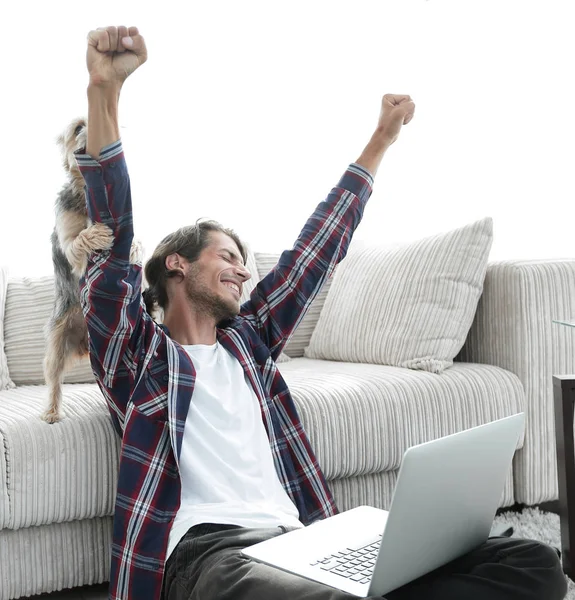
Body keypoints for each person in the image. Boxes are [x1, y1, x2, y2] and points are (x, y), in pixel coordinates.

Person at [78, 25, 567, 600]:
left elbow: (318, 249)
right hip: (213, 555)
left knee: (533, 562)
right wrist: (103, 92)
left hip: (306, 541)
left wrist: (380, 140)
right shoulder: (139, 359)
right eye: (227, 257)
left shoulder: (250, 345)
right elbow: (110, 254)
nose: (241, 270)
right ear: (176, 265)